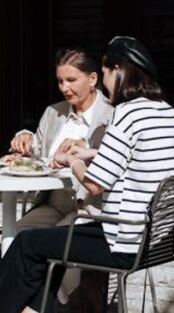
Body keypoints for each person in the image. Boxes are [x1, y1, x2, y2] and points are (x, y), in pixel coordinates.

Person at [0, 36, 174, 313]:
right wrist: (89, 152)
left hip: (123, 240)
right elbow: (134, 158)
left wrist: (73, 161)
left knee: (29, 244)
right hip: (161, 240)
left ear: (118, 71)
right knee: (47, 247)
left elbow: (94, 182)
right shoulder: (166, 112)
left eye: (106, 73)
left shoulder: (126, 114)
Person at [9, 47, 112, 232]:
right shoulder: (53, 112)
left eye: (71, 80)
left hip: (88, 208)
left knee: (47, 242)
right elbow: (39, 155)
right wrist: (26, 139)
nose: (64, 88)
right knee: (15, 235)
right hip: (52, 205)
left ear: (93, 79)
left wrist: (85, 149)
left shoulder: (111, 114)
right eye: (60, 81)